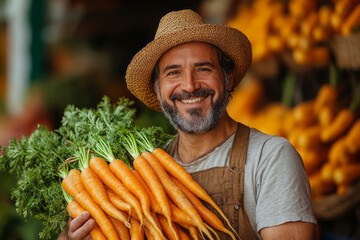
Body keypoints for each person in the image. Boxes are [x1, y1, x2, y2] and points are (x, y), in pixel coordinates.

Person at [59, 9, 317, 240]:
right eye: (173, 73)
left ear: (227, 79)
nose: (190, 85)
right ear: (159, 91)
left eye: (203, 69)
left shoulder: (270, 158)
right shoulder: (138, 177)